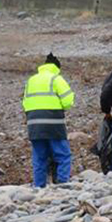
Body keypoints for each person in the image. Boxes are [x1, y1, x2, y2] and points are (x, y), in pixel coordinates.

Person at [22, 52, 74, 188]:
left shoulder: (31, 80)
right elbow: (68, 101)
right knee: (63, 154)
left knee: (39, 157)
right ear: (57, 67)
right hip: (53, 123)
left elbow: (25, 102)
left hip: (33, 123)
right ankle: (63, 183)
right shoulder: (56, 79)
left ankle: (39, 186)